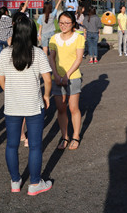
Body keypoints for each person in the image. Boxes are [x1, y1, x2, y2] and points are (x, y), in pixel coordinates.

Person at [0, 13, 53, 195]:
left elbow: (0, 79)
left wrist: (11, 91)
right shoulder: (38, 53)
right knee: (35, 145)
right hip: (33, 105)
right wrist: (46, 95)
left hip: (12, 105)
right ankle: (35, 184)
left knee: (11, 145)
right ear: (32, 33)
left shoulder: (5, 53)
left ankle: (15, 181)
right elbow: (47, 79)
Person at [48, 11, 85, 150]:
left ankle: (76, 136)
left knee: (73, 108)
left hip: (73, 77)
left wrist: (67, 75)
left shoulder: (78, 38)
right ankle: (65, 136)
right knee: (61, 108)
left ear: (73, 23)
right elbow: (51, 57)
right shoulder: (54, 38)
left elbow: (79, 58)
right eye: (61, 23)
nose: (63, 26)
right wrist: (56, 75)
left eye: (67, 23)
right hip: (57, 77)